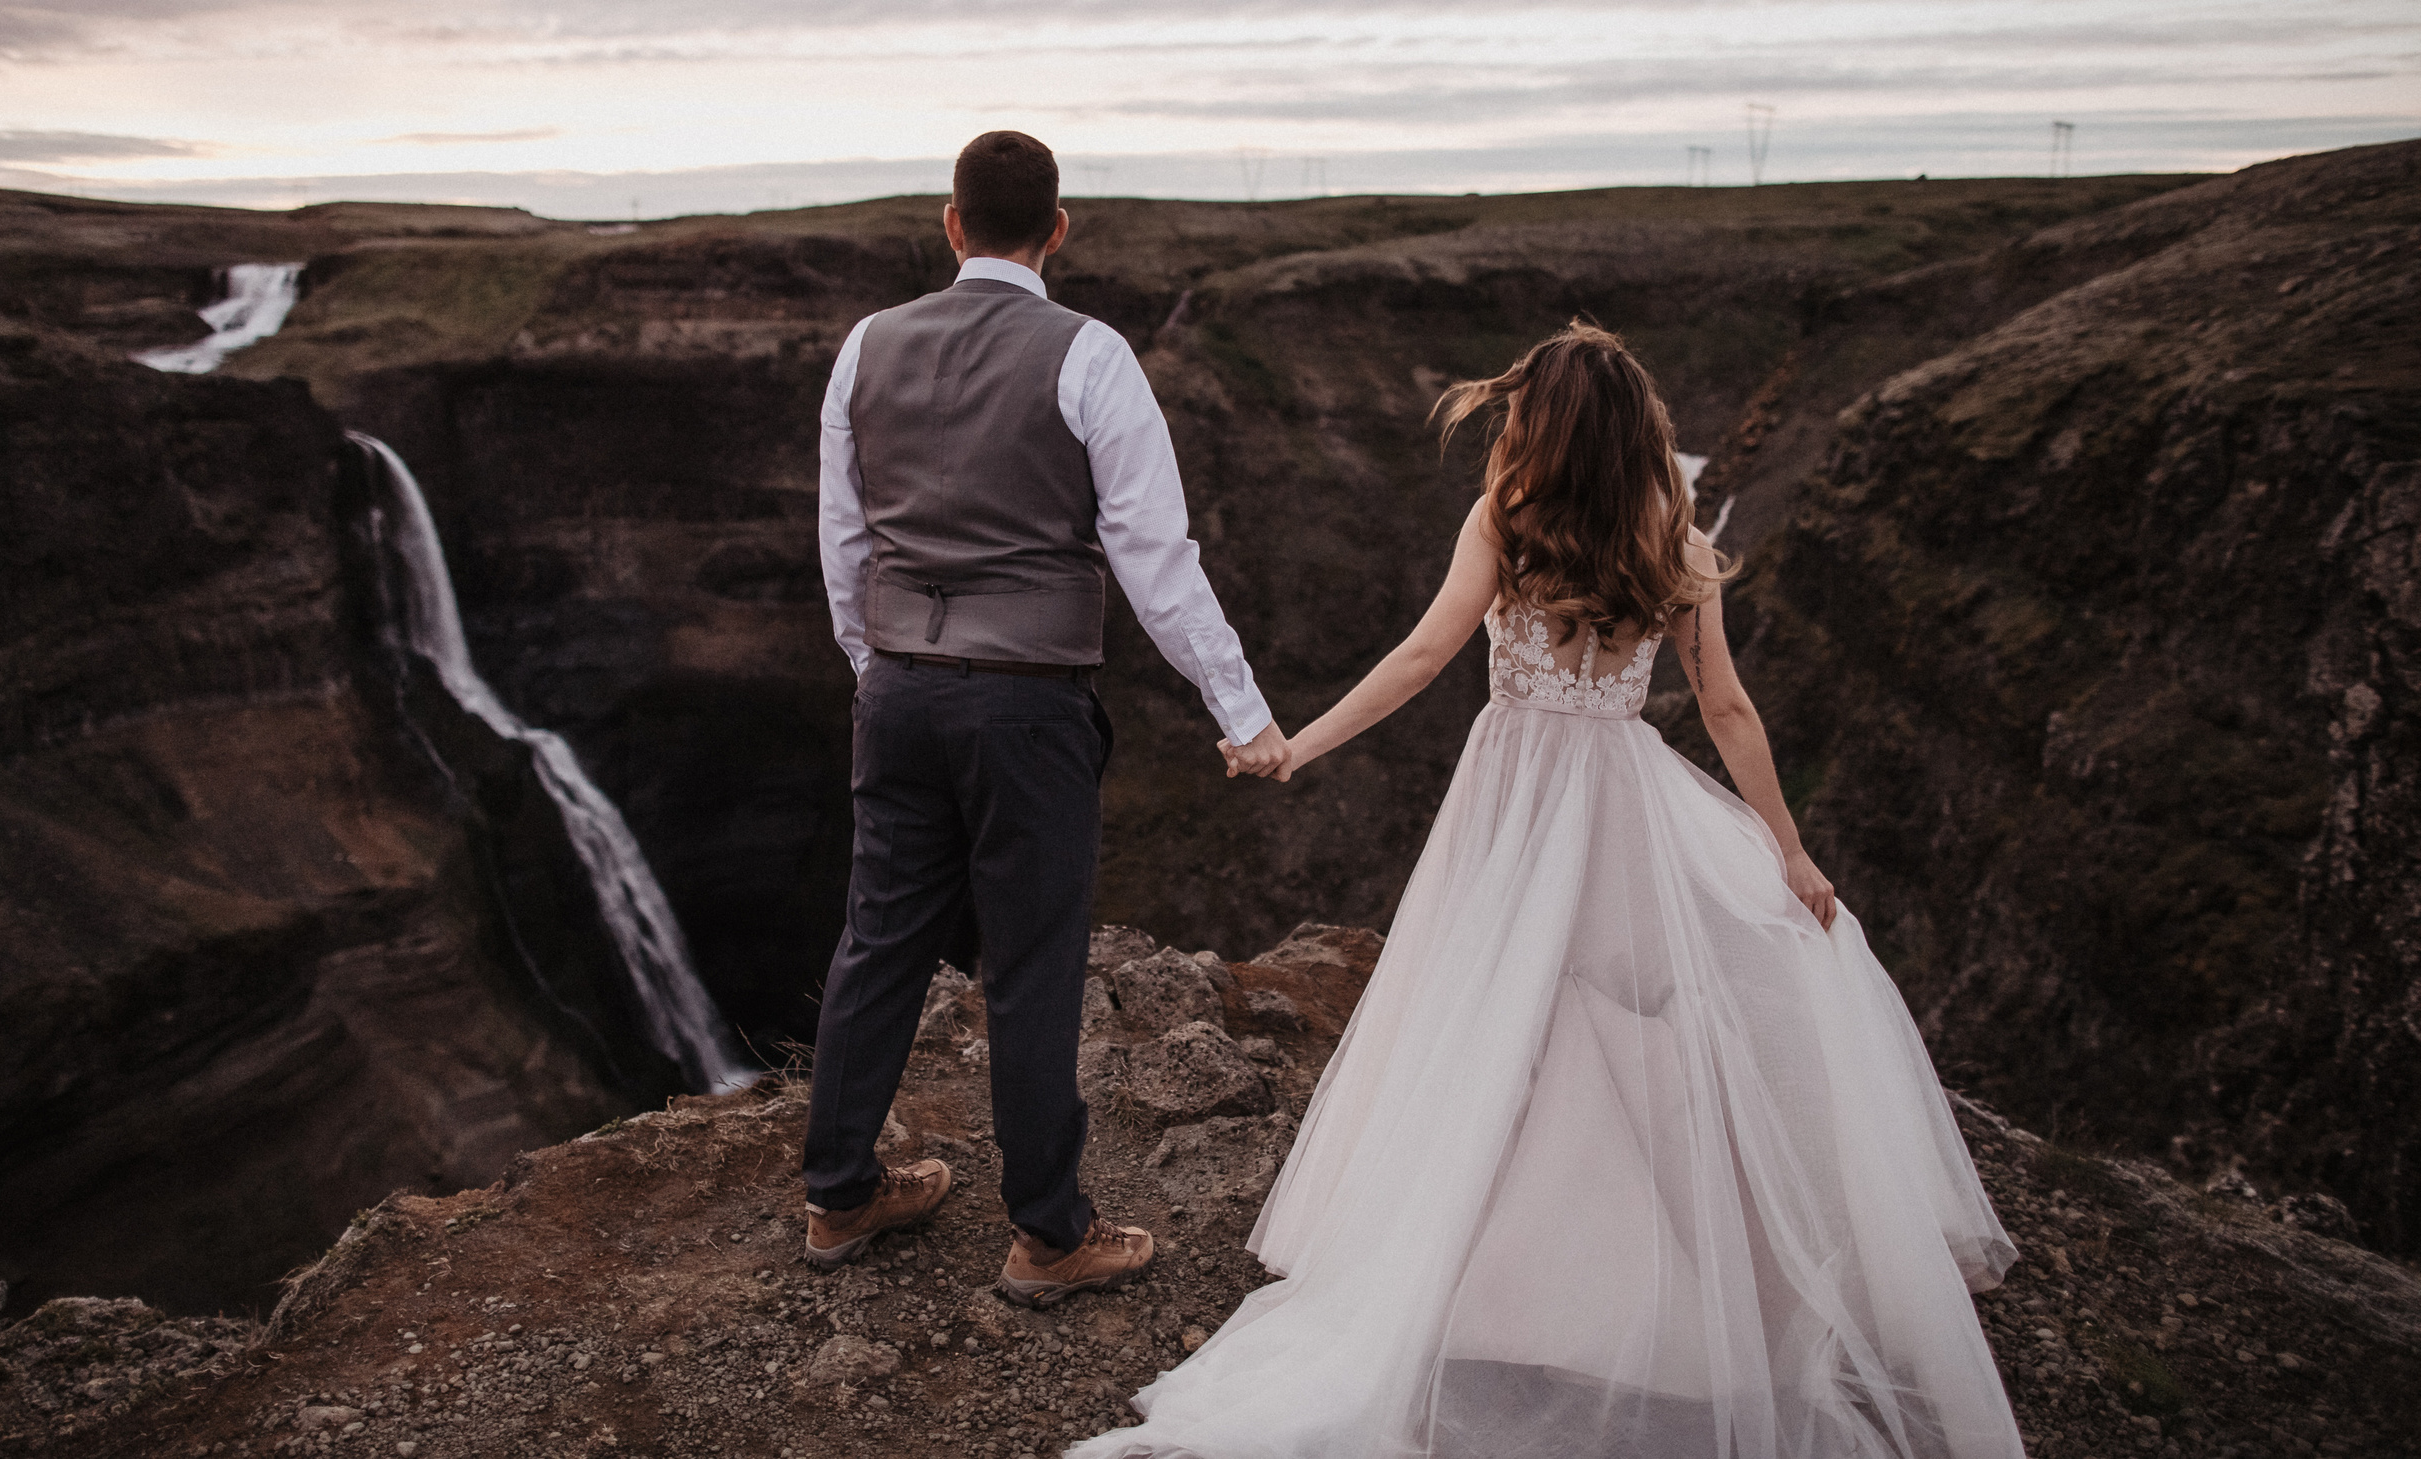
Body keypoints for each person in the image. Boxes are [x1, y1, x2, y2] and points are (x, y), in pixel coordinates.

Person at [1075, 324, 2023, 1457]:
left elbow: (1422, 658)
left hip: (1516, 796)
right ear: (1636, 431)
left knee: (1502, 1021)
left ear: (1547, 426)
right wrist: (1789, 851)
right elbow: (1726, 709)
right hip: (1620, 796)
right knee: (1625, 1021)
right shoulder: (1673, 540)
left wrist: (1297, 745)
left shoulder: (1506, 522)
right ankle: (1653, 1272)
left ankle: (1503, 1273)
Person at [802, 130, 1290, 1306]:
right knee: (1030, 965)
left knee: (879, 939)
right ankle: (1048, 1235)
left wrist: (875, 665)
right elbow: (1154, 560)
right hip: (1026, 707)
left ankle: (840, 1194)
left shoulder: (866, 346)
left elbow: (843, 539)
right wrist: (1242, 713)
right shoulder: (1090, 355)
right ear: (1057, 230)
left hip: (899, 690)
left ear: (951, 223)